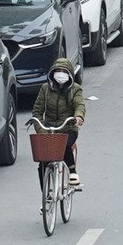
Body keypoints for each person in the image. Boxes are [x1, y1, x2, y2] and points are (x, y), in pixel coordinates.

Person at [31, 59, 86, 187]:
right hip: (49, 128)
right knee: (43, 163)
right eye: (58, 71)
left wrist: (78, 116)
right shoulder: (45, 89)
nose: (61, 74)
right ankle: (46, 195)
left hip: (68, 127)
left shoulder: (75, 89)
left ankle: (72, 171)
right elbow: (37, 112)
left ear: (70, 74)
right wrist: (42, 131)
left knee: (64, 144)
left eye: (64, 71)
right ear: (52, 73)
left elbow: (80, 105)